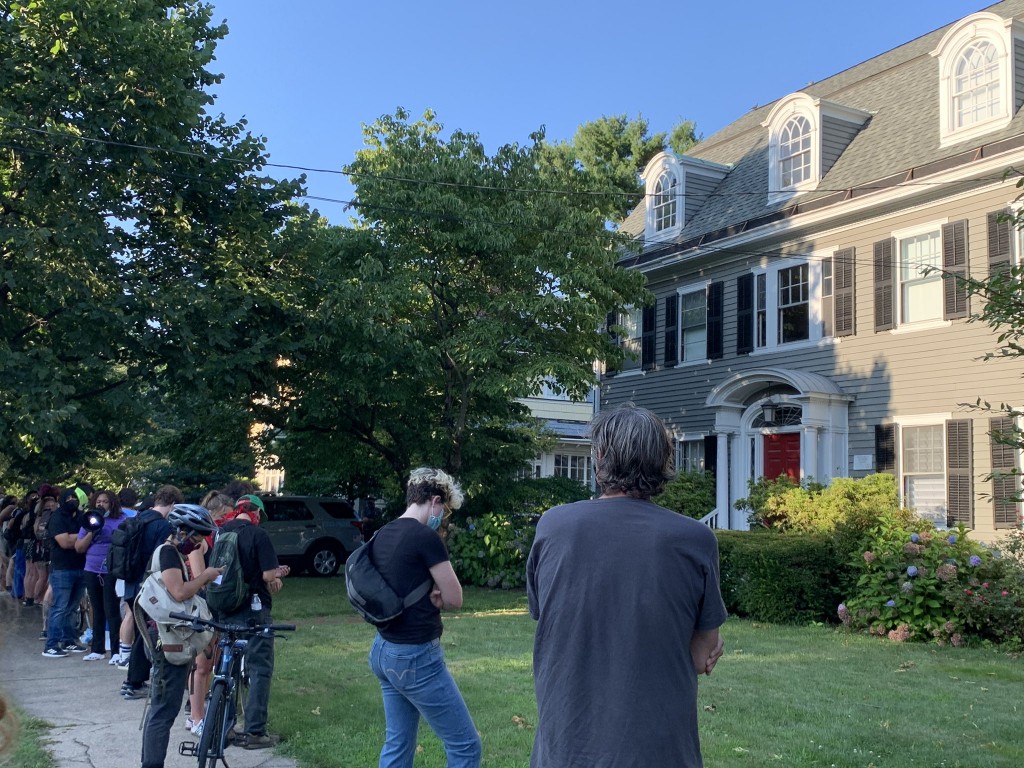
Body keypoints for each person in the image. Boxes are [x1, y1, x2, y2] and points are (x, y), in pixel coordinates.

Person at [526, 404, 727, 768]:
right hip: (659, 752)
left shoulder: (553, 526)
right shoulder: (695, 539)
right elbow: (702, 657)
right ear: (663, 461)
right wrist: (711, 643)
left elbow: (548, 615)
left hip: (565, 749)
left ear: (600, 457)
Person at [367, 467, 481, 768]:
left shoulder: (383, 533)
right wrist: (440, 596)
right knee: (466, 746)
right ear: (435, 501)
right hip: (415, 656)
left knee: (398, 742)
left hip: (383, 650)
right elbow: (455, 598)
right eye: (444, 510)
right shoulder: (425, 537)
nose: (442, 518)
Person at [139, 504, 222, 768]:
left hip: (167, 636)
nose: (198, 543)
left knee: (163, 709)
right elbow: (179, 592)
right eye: (197, 536)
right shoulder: (167, 553)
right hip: (166, 640)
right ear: (180, 530)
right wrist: (205, 577)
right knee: (163, 711)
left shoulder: (171, 552)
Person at [210, 494, 289, 749]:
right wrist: (277, 573)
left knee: (227, 667)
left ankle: (222, 726)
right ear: (256, 513)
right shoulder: (258, 535)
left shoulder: (222, 533)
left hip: (226, 608)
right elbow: (267, 575)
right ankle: (255, 731)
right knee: (259, 667)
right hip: (254, 610)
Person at [121, 485, 181, 698]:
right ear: (173, 504)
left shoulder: (136, 518)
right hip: (147, 586)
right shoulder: (163, 526)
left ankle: (134, 680)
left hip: (130, 581)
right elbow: (161, 559)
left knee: (140, 631)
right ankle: (134, 682)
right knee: (145, 634)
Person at [75, 490, 125, 660]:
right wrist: (92, 531)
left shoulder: (121, 520)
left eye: (105, 501)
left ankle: (116, 651)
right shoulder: (89, 520)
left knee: (112, 609)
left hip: (111, 570)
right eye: (98, 502)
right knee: (97, 609)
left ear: (112, 504)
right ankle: (97, 649)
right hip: (92, 569)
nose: (101, 504)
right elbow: (79, 547)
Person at [42, 485, 90, 658]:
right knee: (60, 608)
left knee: (72, 608)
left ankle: (68, 641)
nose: (72, 501)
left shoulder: (82, 517)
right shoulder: (57, 517)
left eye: (74, 498)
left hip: (81, 567)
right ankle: (51, 645)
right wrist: (85, 535)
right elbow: (65, 542)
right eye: (68, 499)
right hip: (62, 569)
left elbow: (85, 537)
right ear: (61, 501)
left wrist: (78, 536)